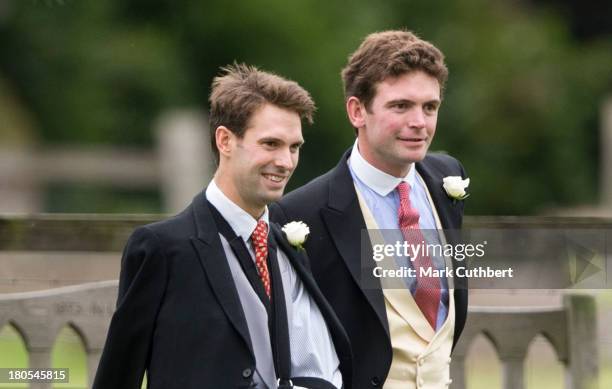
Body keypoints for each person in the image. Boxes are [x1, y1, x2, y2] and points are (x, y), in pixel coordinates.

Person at [93, 63, 351, 389]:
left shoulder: (290, 248)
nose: (286, 162)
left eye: (294, 147)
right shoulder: (161, 248)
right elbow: (118, 376)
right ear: (225, 141)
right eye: (271, 144)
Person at [271, 30, 468, 388]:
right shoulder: (300, 214)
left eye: (430, 107)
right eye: (400, 106)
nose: (419, 123)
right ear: (357, 110)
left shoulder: (448, 177)